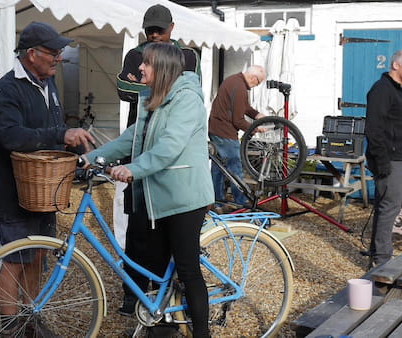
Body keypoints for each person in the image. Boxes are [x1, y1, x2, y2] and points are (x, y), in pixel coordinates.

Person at [84, 42, 213, 337]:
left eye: (147, 63)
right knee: (155, 266)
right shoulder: (151, 98)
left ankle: (202, 333)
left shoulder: (188, 100)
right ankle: (164, 326)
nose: (140, 68)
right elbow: (131, 138)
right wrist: (90, 158)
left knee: (187, 268)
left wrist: (133, 168)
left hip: (184, 197)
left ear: (163, 68)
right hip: (156, 197)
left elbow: (169, 147)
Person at [0, 21, 94, 336]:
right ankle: (10, 328)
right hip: (16, 190)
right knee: (14, 259)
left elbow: (51, 135)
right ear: (31, 54)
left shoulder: (48, 83)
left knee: (36, 256)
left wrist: (76, 158)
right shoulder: (8, 88)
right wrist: (61, 132)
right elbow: (11, 137)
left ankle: (29, 319)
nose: (59, 57)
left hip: (45, 189)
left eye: (60, 51)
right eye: (53, 51)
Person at [115, 3, 201, 316]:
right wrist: (152, 83)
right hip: (137, 145)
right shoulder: (135, 53)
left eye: (159, 30)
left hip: (170, 150)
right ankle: (133, 292)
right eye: (150, 30)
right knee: (136, 229)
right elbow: (123, 88)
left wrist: (147, 84)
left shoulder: (188, 54)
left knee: (173, 231)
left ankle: (174, 296)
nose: (154, 35)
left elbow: (189, 86)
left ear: (171, 28)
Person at [366, 49, 402, 268]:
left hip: (395, 158)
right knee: (390, 208)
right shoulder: (382, 89)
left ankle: (377, 257)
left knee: (385, 207)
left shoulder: (395, 90)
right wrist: (383, 162)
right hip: (388, 159)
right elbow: (373, 128)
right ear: (396, 65)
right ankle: (383, 262)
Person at [208, 65, 266, 208]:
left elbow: (244, 107)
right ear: (253, 77)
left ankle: (217, 203)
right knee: (235, 168)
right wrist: (255, 128)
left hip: (216, 129)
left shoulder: (234, 80)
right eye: (257, 83)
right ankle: (241, 203)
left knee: (219, 169)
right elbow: (238, 120)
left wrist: (257, 115)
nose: (255, 86)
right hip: (225, 133)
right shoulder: (240, 87)